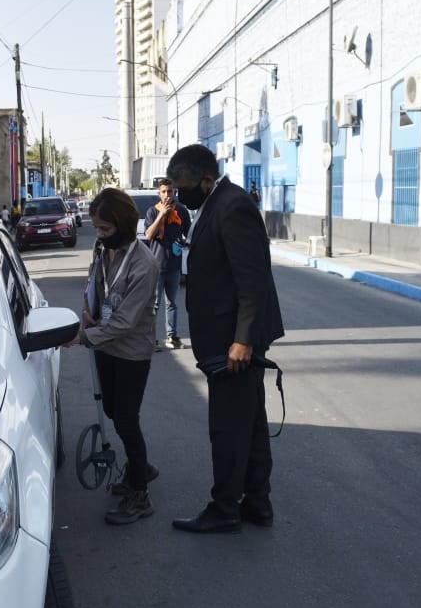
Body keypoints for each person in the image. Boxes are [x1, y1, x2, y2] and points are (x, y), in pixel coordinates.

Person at [165, 144, 285, 533]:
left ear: (206, 178)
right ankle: (257, 503)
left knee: (228, 428)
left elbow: (252, 280)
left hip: (233, 342)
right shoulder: (214, 206)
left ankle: (225, 508)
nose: (179, 194)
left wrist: (243, 340)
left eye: (183, 186)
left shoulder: (232, 206)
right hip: (227, 338)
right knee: (248, 425)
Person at [70, 187, 162, 524]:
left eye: (105, 229)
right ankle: (142, 468)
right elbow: (95, 284)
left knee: (126, 419)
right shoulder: (103, 249)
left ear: (123, 226)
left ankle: (140, 493)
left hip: (130, 352)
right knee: (112, 410)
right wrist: (88, 311)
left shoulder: (145, 264)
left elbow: (124, 323)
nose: (98, 234)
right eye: (96, 227)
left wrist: (81, 337)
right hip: (103, 345)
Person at [143, 178, 192, 351]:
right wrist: (162, 214)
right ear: (159, 193)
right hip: (156, 266)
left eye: (170, 191)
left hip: (174, 265)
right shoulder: (152, 212)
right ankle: (152, 340)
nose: (167, 194)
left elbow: (190, 234)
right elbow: (148, 235)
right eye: (163, 191)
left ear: (174, 192)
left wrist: (184, 243)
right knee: (154, 305)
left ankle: (172, 337)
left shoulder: (182, 212)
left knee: (172, 303)